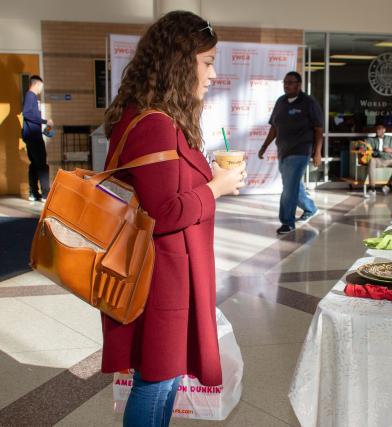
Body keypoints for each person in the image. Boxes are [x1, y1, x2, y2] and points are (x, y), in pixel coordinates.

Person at [101, 11, 246, 427]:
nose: (213, 73)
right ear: (179, 63)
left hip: (166, 275)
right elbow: (165, 213)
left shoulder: (154, 116)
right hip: (161, 279)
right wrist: (216, 187)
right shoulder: (156, 125)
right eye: (207, 62)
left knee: (163, 380)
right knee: (157, 381)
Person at [258, 71, 322, 235]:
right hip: (283, 151)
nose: (287, 85)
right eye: (285, 82)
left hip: (301, 150)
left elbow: (318, 129)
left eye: (290, 82)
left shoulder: (308, 102)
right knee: (292, 185)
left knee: (289, 188)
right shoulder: (281, 102)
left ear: (299, 85)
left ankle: (287, 222)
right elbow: (274, 127)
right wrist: (264, 146)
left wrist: (317, 152)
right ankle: (311, 208)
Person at [22, 75, 53, 202]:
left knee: (34, 165)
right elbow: (27, 113)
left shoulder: (31, 97)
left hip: (31, 136)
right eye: (41, 87)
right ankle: (46, 194)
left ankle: (33, 193)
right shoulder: (31, 96)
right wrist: (45, 121)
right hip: (34, 137)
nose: (41, 90)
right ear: (36, 84)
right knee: (42, 166)